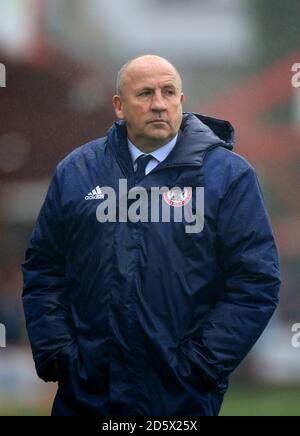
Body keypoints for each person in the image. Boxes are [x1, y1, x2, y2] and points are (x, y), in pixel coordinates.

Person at [22, 55, 280, 416]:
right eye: (144, 93)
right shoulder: (76, 172)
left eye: (168, 92)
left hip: (181, 399)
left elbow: (256, 282)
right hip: (85, 394)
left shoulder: (228, 176)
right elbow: (44, 269)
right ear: (119, 106)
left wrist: (202, 364)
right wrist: (58, 353)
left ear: (181, 101)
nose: (158, 104)